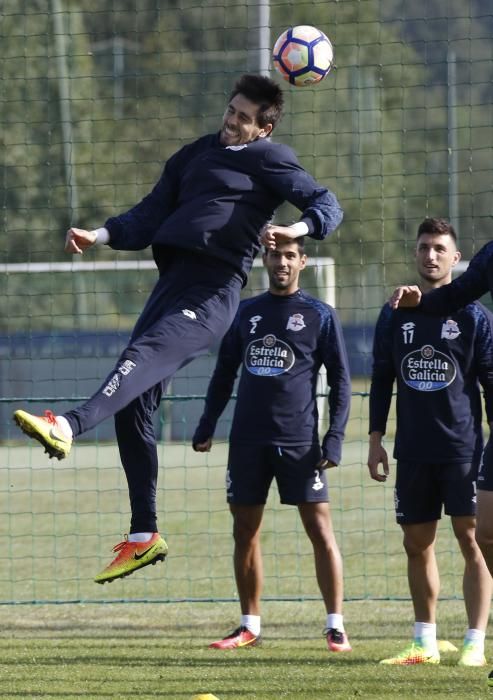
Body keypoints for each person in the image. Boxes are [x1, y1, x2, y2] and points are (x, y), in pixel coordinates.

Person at [12, 74, 343, 585]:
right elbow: (148, 215)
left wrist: (294, 229)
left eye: (243, 117)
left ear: (263, 128)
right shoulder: (194, 154)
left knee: (140, 354)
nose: (231, 121)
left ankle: (68, 426)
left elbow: (327, 205)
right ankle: (144, 537)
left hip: (211, 295)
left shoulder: (270, 159)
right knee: (133, 407)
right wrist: (97, 234)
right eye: (230, 110)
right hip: (171, 286)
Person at [192, 237, 352, 652]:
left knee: (319, 530)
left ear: (303, 261)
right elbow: (224, 373)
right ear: (265, 258)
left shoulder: (321, 315)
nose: (281, 262)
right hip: (247, 442)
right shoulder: (245, 313)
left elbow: (341, 382)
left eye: (289, 256)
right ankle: (250, 626)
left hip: (300, 443)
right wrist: (208, 422)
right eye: (275, 255)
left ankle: (335, 625)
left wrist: (333, 439)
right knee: (244, 530)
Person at [369, 218, 493, 667]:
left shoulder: (474, 316)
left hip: (464, 450)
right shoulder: (395, 311)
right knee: (416, 543)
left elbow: (490, 381)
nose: (431, 255)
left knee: (473, 540)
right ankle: (424, 642)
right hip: (414, 451)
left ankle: (475, 642)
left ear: (456, 258)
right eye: (424, 247)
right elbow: (382, 377)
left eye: (440, 248)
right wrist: (375, 439)